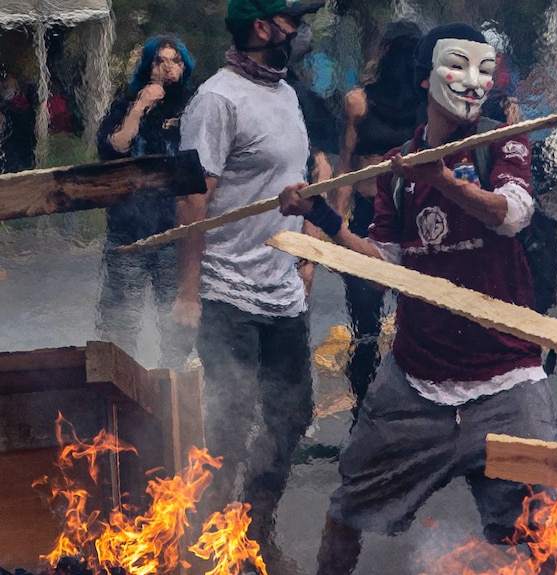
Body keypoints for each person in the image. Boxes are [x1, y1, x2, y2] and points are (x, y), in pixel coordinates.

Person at [279, 23, 557, 575]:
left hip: (509, 382)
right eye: (458, 66)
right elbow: (385, 266)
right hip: (416, 382)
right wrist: (322, 218)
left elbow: (511, 215)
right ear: (426, 77)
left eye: (485, 68)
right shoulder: (399, 170)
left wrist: (449, 182)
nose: (474, 82)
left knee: (544, 532)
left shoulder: (504, 141)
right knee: (348, 508)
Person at [172, 1, 322, 572]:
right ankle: (213, 547)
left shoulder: (286, 94)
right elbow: (192, 201)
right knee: (228, 425)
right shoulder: (216, 100)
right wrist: (187, 295)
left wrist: (306, 252)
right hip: (225, 290)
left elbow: (298, 178)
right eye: (289, 20)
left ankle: (256, 534)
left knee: (291, 416)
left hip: (281, 290)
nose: (297, 31)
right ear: (262, 28)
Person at [332, 19, 422, 421]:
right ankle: (364, 413)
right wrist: (336, 223)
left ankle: (415, 409)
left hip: (417, 218)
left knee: (417, 319)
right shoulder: (359, 102)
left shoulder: (431, 103)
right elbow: (346, 166)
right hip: (369, 218)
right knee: (365, 324)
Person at [95, 34, 195, 369]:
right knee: (120, 324)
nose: (168, 67)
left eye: (175, 60)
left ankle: (173, 388)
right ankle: (118, 392)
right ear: (148, 66)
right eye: (160, 60)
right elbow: (114, 148)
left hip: (174, 232)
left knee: (175, 321)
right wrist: (140, 107)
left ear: (184, 67)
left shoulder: (194, 106)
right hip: (129, 232)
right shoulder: (125, 105)